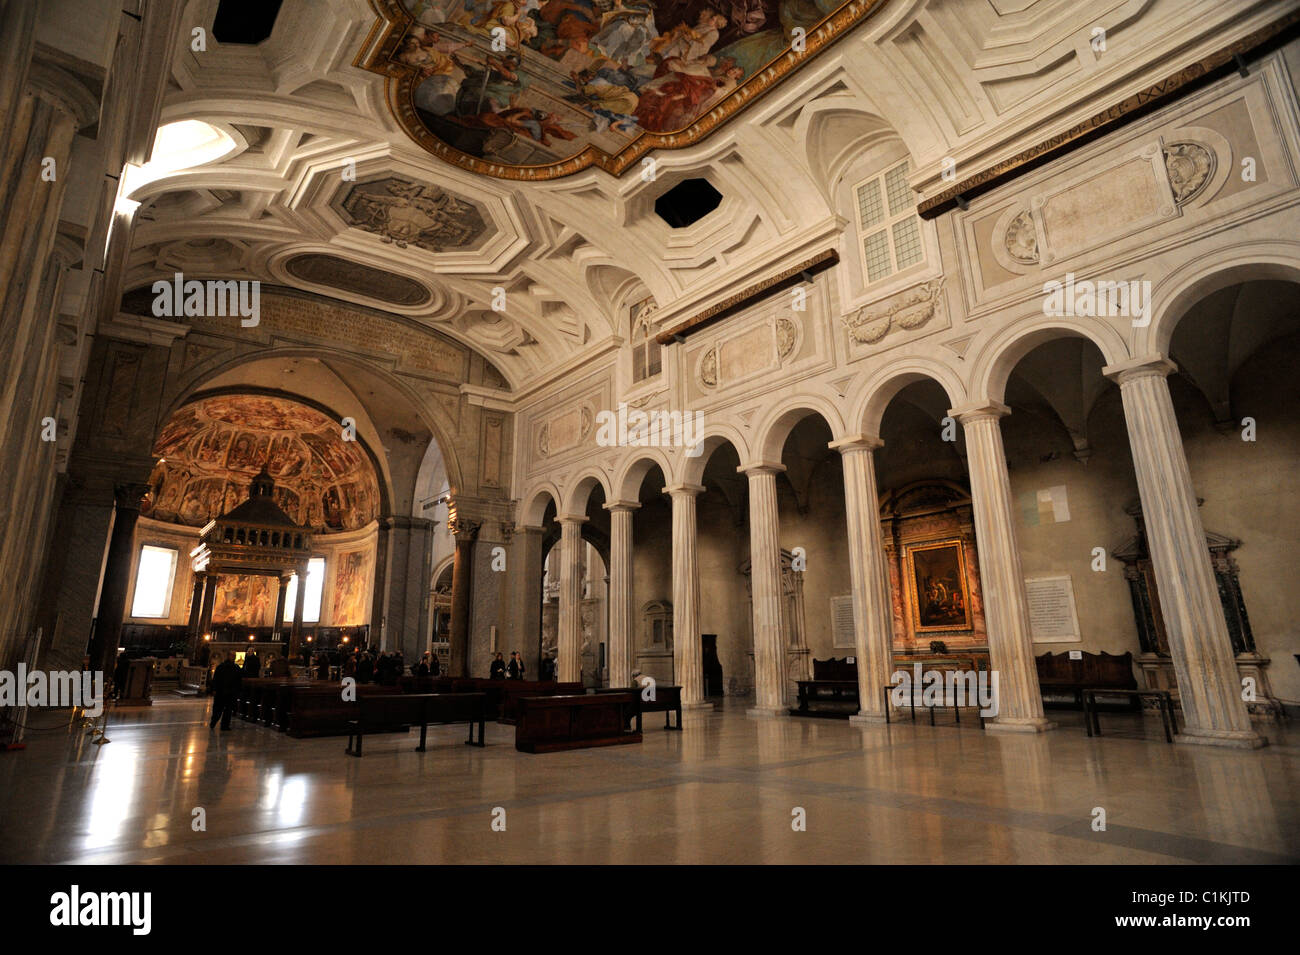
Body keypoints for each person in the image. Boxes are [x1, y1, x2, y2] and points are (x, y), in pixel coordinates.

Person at [209, 651, 242, 731]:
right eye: (232, 655)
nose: (233, 657)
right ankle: (213, 722)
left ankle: (225, 725)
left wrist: (237, 691)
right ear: (228, 656)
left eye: (234, 655)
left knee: (228, 710)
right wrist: (214, 689)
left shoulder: (236, 667)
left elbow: (238, 680)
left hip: (231, 692)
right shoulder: (221, 667)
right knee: (218, 709)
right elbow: (216, 679)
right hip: (221, 691)